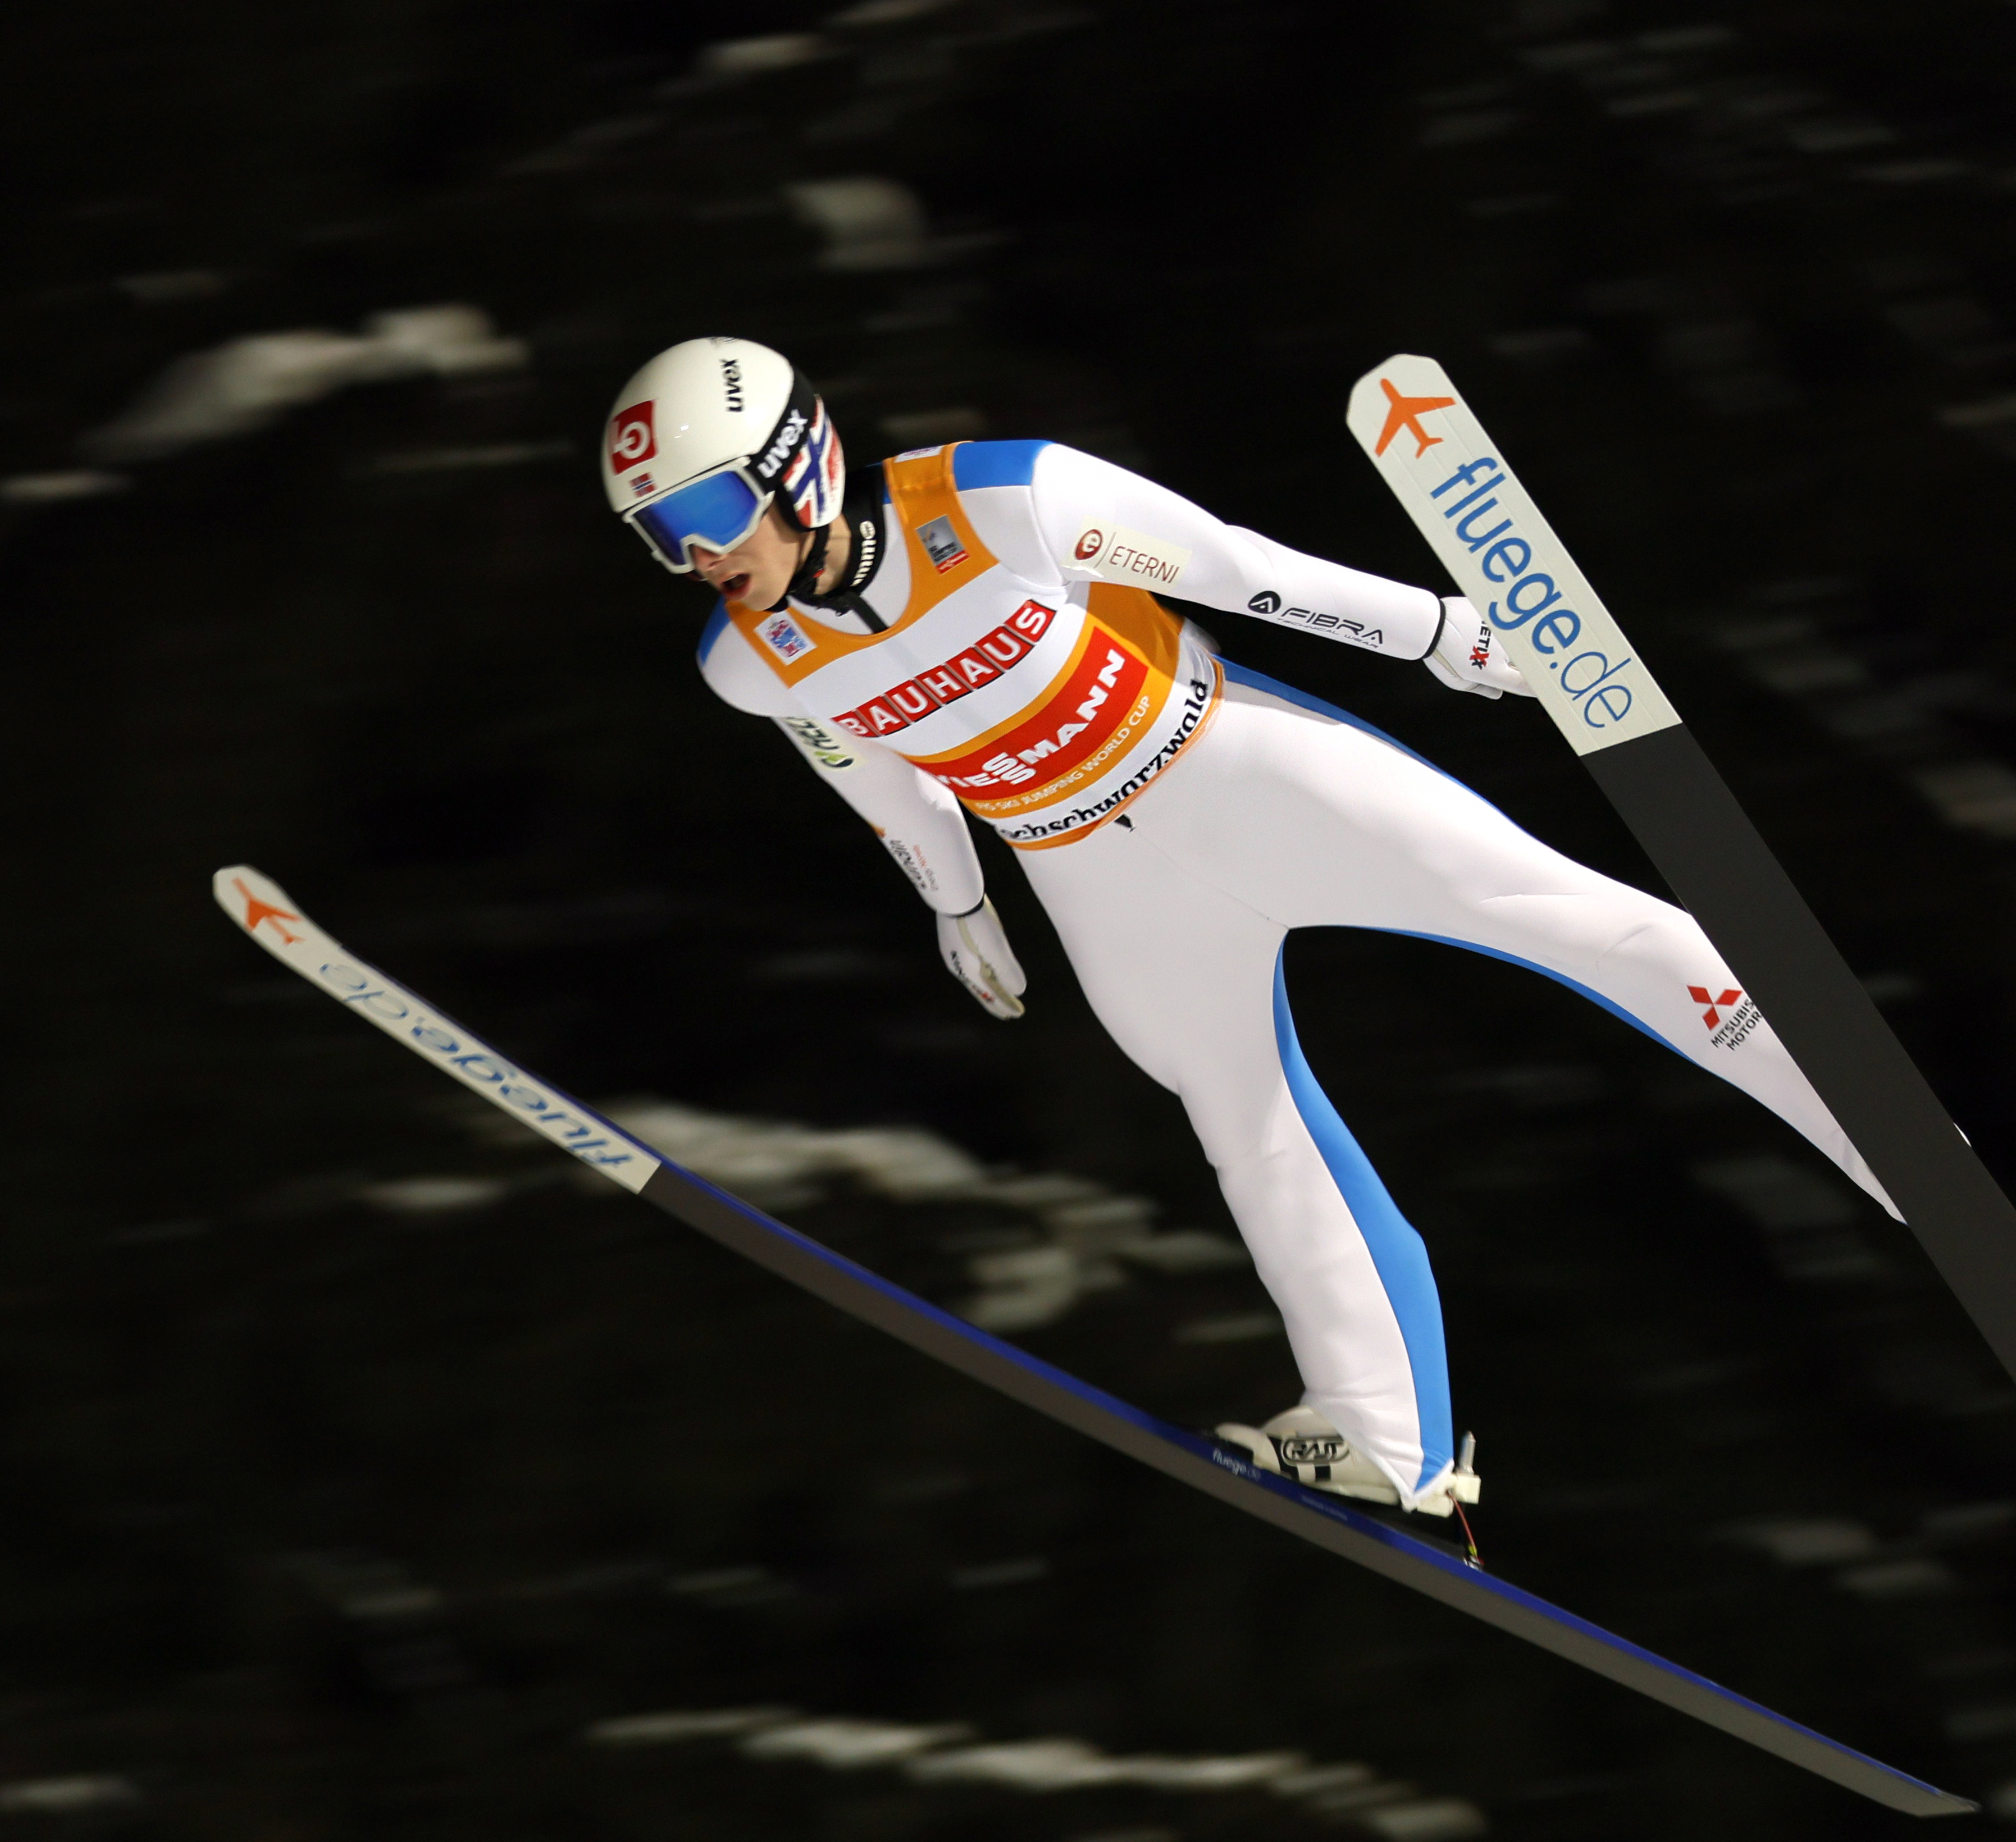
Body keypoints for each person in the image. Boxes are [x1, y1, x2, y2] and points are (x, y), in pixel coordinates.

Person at [603, 337, 1893, 1519]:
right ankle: (1389, 1437)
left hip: (1233, 768)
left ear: (798, 466)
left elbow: (1239, 568)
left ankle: (1875, 1128)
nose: (699, 556)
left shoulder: (1002, 501)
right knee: (1249, 1134)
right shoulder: (745, 660)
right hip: (1089, 877)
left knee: (1576, 923)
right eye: (662, 536)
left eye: (708, 513)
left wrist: (1435, 631)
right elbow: (877, 776)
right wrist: (957, 904)